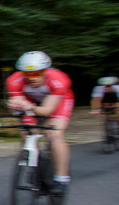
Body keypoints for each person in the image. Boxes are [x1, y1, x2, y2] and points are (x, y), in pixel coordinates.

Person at [5, 51, 74, 194]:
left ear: (45, 71)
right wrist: (15, 105)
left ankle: (61, 178)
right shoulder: (13, 81)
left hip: (58, 102)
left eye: (37, 73)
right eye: (27, 74)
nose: (32, 77)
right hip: (32, 101)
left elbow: (47, 111)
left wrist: (30, 107)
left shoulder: (58, 79)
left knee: (53, 134)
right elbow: (18, 105)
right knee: (26, 132)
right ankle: (35, 165)